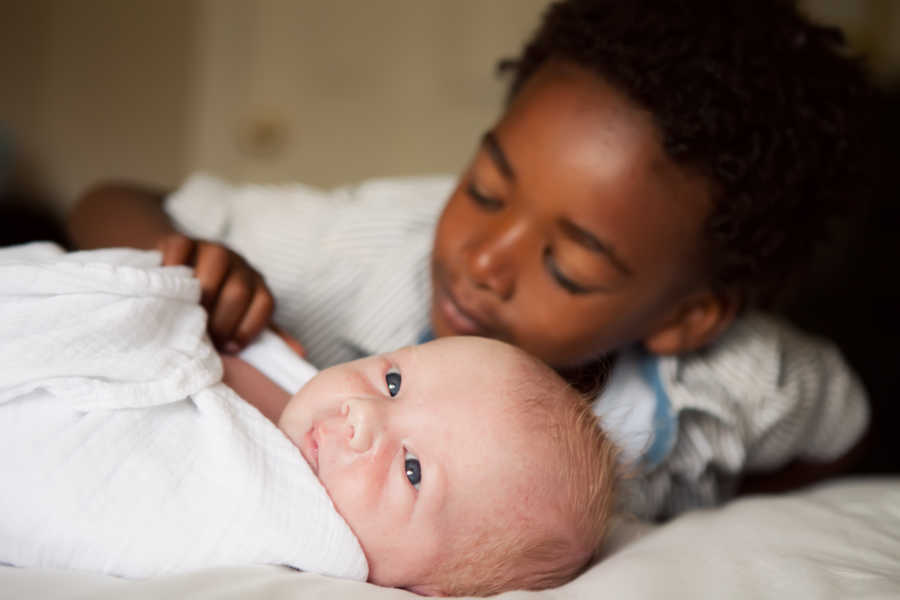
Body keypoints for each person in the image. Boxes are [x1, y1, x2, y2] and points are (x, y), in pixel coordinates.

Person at [67, 0, 873, 518]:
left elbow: (845, 428)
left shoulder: (742, 380)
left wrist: (733, 514)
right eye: (486, 189)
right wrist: (182, 263)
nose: (484, 259)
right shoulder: (365, 252)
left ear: (686, 316)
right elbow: (105, 199)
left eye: (570, 267)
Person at [0, 243, 618, 596]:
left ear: (428, 590)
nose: (362, 417)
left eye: (411, 471)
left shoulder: (279, 531)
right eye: (394, 382)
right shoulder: (294, 372)